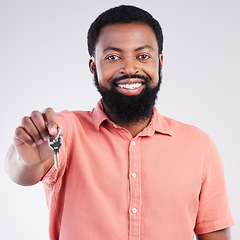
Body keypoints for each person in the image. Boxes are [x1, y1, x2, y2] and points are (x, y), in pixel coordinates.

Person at [5, 5, 234, 240]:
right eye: (113, 57)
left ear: (160, 62)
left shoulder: (199, 146)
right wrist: (24, 159)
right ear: (94, 66)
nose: (130, 68)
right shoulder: (67, 131)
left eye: (143, 56)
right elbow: (20, 171)